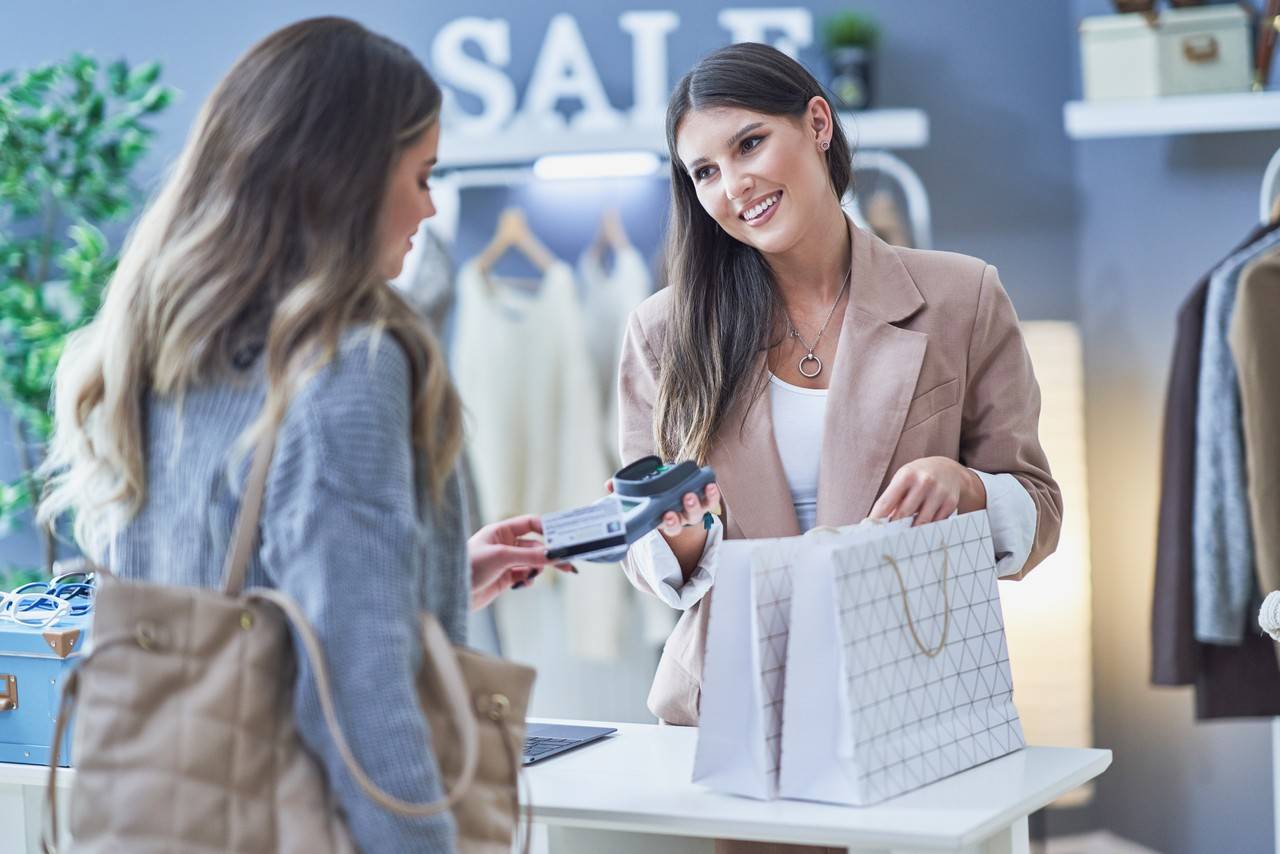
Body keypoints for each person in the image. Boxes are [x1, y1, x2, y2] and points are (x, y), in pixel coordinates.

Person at [38, 17, 567, 852]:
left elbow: (233, 612)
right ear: (344, 179)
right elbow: (359, 694)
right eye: (422, 175)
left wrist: (430, 580)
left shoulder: (147, 350)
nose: (430, 206)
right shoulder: (345, 365)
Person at [617, 44, 1062, 851]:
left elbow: (1038, 505)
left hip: (916, 713)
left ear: (816, 123)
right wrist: (680, 540)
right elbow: (643, 547)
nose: (733, 185)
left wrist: (965, 484)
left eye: (749, 144)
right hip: (729, 720)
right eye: (704, 172)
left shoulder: (962, 297)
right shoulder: (663, 333)